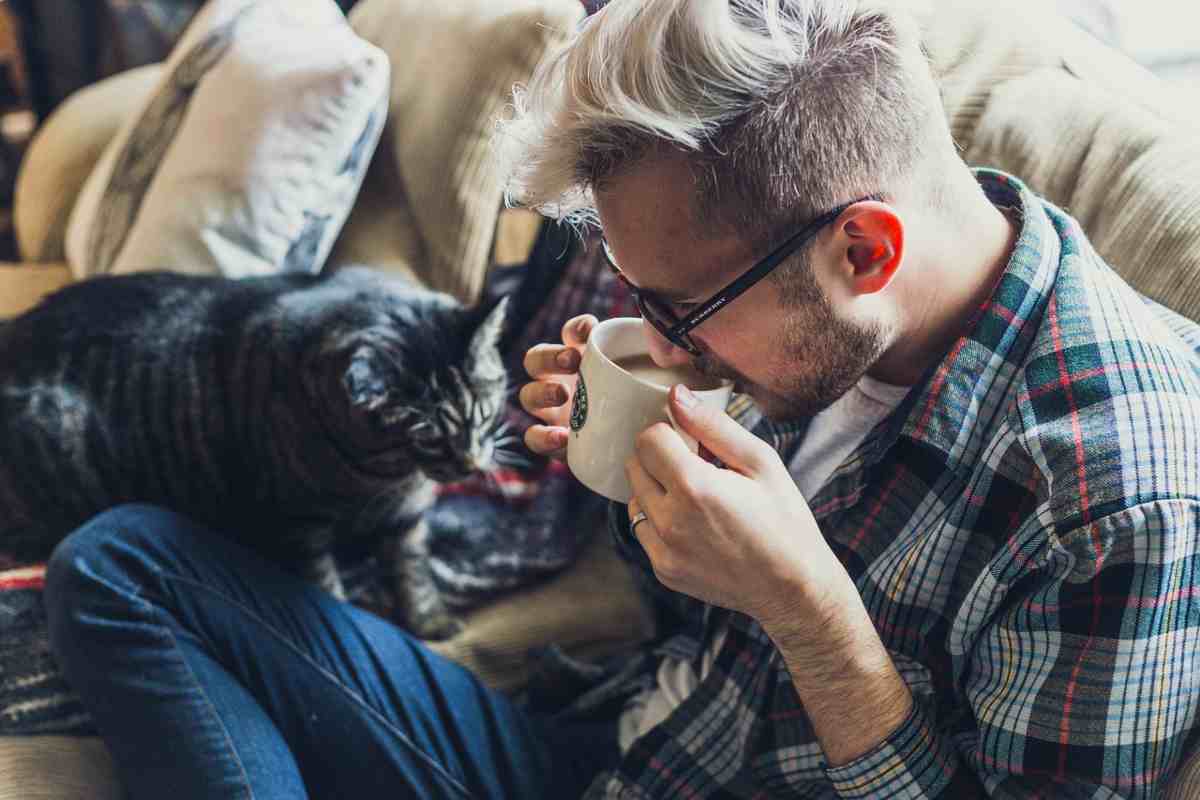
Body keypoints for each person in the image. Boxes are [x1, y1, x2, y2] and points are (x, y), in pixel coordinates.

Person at [42, 0, 1200, 798]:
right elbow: (688, 615)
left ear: (865, 248)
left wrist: (815, 620)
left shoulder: (1113, 496)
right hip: (627, 748)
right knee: (120, 562)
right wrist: (623, 472)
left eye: (682, 307)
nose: (667, 340)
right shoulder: (824, 324)